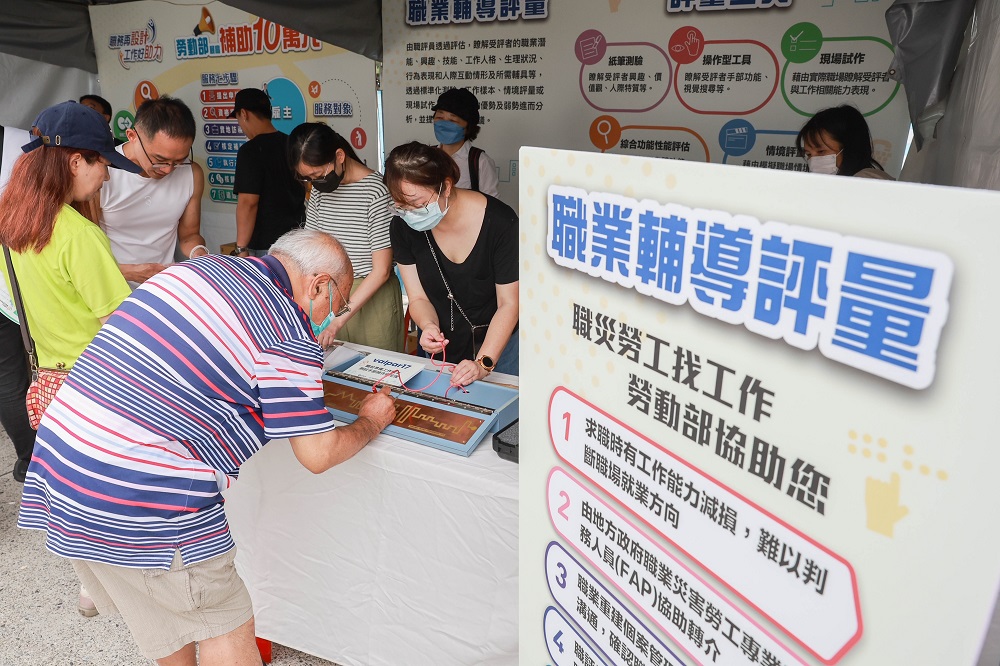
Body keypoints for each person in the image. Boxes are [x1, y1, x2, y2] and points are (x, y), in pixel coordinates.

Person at [17, 229, 397, 666]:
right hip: (143, 494)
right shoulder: (287, 330)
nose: (333, 315)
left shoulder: (196, 270)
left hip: (63, 467)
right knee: (223, 622)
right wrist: (372, 419)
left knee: (161, 619)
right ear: (319, 285)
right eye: (340, 301)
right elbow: (318, 453)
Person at [0, 101, 140, 478]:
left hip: (52, 389)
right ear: (76, 162)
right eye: (104, 165)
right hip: (98, 386)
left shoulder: (12, 222)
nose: (106, 178)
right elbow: (120, 327)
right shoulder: (79, 235)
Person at [384, 141, 518, 387]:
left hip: (500, 344)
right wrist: (428, 327)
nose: (410, 213)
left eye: (418, 204)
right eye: (401, 206)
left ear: (445, 186)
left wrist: (483, 363)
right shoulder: (403, 226)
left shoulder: (501, 223)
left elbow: (509, 304)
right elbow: (418, 298)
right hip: (444, 346)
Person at [288, 122, 404, 352]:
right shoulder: (321, 193)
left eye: (318, 175)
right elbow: (310, 249)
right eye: (308, 178)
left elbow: (380, 271)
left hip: (371, 297)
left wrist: (338, 319)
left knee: (378, 374)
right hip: (329, 294)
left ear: (339, 156)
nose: (314, 183)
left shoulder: (376, 191)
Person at [98, 96, 209, 286]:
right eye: (159, 159)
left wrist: (200, 255)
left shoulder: (191, 174)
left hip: (163, 288)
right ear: (132, 136)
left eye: (179, 161)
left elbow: (189, 235)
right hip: (113, 288)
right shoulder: (103, 172)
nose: (168, 169)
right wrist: (130, 272)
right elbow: (83, 254)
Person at [230, 88, 305, 257]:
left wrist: (241, 248)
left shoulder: (250, 151)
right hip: (297, 242)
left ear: (244, 113)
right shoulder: (292, 144)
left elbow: (248, 203)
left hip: (266, 247)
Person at [431, 88, 499, 197]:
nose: (444, 124)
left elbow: (492, 206)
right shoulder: (426, 157)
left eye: (452, 120)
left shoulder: (480, 162)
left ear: (468, 127)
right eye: (439, 117)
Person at [796, 105, 895, 180]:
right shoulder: (832, 183)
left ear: (850, 149)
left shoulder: (869, 183)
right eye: (808, 154)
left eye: (821, 151)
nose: (813, 160)